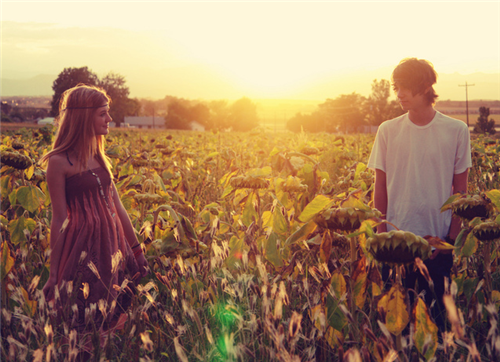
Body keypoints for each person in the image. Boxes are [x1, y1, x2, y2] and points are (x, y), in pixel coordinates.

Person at [367, 58, 472, 330]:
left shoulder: (456, 131)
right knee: (396, 329)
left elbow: (461, 192)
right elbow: (380, 187)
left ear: (425, 87)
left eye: (405, 88)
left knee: (436, 328)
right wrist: (381, 236)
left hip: (437, 245)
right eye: (396, 87)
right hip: (394, 245)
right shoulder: (388, 130)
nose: (399, 94)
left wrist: (449, 241)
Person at [40, 84, 148, 330]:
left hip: (113, 245)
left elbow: (117, 207)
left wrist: (136, 250)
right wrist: (53, 272)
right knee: (85, 319)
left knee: (114, 316)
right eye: (103, 113)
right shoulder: (59, 162)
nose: (109, 118)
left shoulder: (99, 155)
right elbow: (59, 219)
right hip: (83, 251)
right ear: (83, 116)